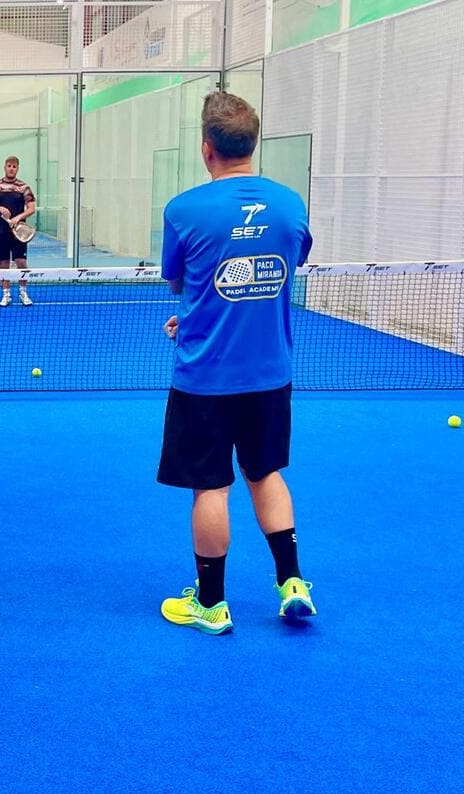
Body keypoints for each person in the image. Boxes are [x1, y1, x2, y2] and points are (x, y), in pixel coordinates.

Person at [157, 92, 317, 635]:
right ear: (253, 144)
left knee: (212, 488)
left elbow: (182, 282)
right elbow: (281, 270)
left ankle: (212, 604)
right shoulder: (292, 204)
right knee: (265, 473)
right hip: (270, 375)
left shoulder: (182, 210)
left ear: (207, 149)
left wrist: (195, 316)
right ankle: (292, 582)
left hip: (204, 380)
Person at [0, 156, 36, 306]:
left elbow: (32, 208)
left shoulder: (24, 187)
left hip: (19, 232)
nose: (11, 168)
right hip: (0, 231)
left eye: (14, 166)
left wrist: (18, 218)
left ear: (17, 168)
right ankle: (6, 295)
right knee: (4, 263)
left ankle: (23, 292)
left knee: (21, 262)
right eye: (9, 166)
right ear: (4, 167)